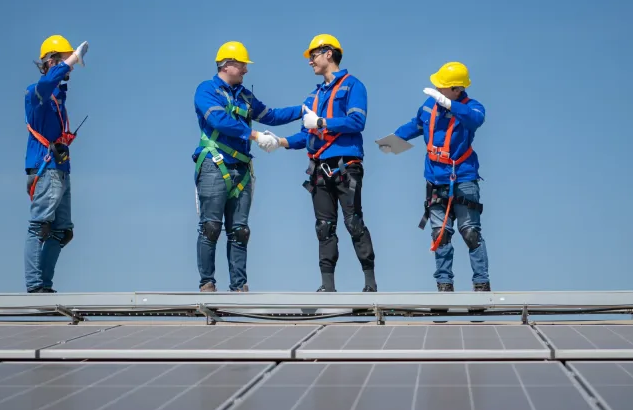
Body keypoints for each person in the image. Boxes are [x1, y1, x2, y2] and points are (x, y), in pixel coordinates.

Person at [193, 41, 300, 292]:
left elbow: (271, 115)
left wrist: (304, 109)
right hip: (215, 164)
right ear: (227, 65)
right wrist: (254, 135)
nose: (246, 70)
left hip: (241, 169)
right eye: (242, 65)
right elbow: (219, 120)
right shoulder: (206, 90)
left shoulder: (244, 96)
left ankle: (239, 288)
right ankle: (207, 285)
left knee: (240, 231)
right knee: (210, 227)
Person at [273, 34, 377, 292]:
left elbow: (357, 121)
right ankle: (327, 286)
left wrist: (322, 122)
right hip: (319, 169)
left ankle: (370, 284)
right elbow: (305, 135)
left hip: (346, 166)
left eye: (313, 56)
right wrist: (280, 142)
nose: (310, 61)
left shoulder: (353, 86)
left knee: (353, 221)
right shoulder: (313, 96)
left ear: (328, 53)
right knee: (324, 227)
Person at [386, 61, 490, 292]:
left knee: (471, 233)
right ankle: (444, 285)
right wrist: (393, 140)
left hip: (463, 178)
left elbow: (475, 120)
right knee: (440, 235)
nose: (436, 89)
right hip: (435, 179)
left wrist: (450, 105)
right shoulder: (429, 106)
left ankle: (481, 285)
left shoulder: (473, 107)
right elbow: (416, 125)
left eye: (441, 86)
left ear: (457, 89)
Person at [24, 35, 88, 293]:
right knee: (39, 226)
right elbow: (47, 83)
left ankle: (44, 286)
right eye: (64, 59)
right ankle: (35, 286)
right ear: (52, 61)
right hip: (45, 166)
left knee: (61, 231)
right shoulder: (36, 92)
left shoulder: (57, 96)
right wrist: (72, 60)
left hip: (59, 167)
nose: (69, 66)